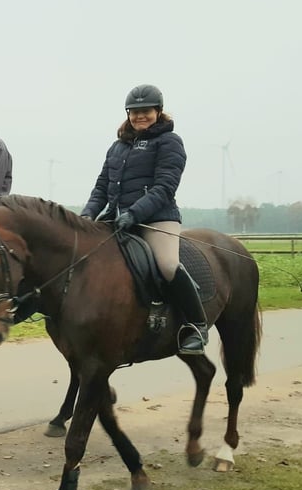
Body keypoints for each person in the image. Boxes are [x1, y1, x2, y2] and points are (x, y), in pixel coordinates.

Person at [80, 84, 208, 354]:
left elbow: (165, 187)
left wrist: (134, 213)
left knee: (168, 264)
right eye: (134, 112)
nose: (140, 116)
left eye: (145, 111)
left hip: (157, 218)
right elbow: (102, 186)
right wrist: (88, 214)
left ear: (158, 112)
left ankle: (197, 325)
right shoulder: (117, 147)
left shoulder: (170, 142)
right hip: (118, 218)